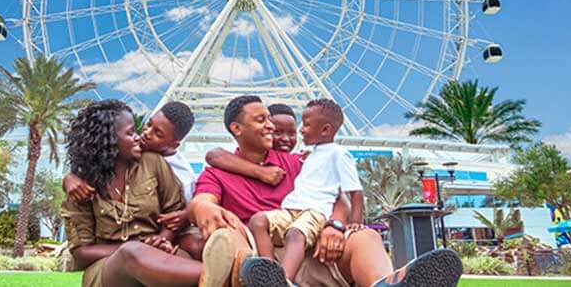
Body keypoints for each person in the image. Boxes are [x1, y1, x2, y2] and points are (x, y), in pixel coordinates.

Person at [188, 95, 463, 287]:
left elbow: (337, 196)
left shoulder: (299, 162)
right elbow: (203, 198)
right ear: (236, 128)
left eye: (269, 119)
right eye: (262, 120)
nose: (271, 126)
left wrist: (334, 225)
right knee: (233, 238)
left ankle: (386, 285)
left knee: (364, 237)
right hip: (260, 257)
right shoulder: (216, 172)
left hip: (312, 249)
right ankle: (272, 279)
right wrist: (205, 207)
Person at [60, 100, 203, 287]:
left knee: (193, 248)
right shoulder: (81, 186)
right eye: (130, 133)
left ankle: (229, 275)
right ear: (108, 140)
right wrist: (141, 248)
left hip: (163, 255)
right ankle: (229, 276)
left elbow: (174, 211)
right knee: (131, 253)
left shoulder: (153, 162)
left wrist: (161, 239)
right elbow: (82, 252)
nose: (139, 137)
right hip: (109, 268)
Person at [244, 99, 364, 285]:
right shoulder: (309, 155)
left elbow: (354, 191)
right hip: (291, 209)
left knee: (295, 235)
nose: (301, 130)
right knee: (258, 221)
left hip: (315, 211)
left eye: (305, 125)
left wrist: (355, 222)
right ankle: (268, 272)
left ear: (325, 130)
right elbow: (215, 156)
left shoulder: (339, 154)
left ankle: (283, 281)